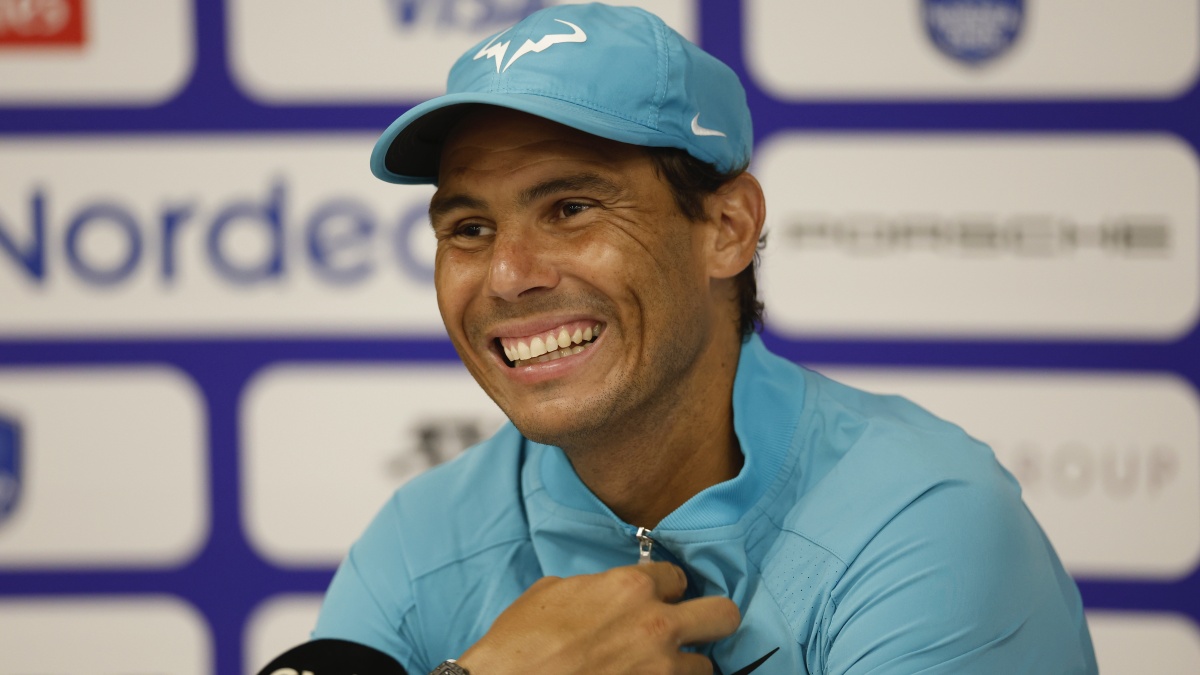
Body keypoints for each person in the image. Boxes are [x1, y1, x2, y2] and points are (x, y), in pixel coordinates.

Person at [300, 4, 1097, 674]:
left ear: (726, 227)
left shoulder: (921, 521)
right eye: (469, 227)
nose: (508, 275)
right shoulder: (422, 535)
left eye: (572, 208)